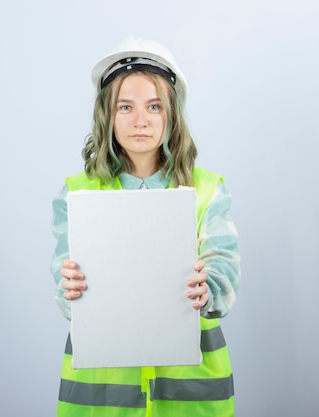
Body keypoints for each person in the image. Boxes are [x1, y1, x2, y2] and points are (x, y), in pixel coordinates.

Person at [50, 35, 241, 417]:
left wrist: (210, 286)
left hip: (190, 387)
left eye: (154, 106)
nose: (140, 120)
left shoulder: (205, 189)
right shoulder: (78, 191)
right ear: (108, 114)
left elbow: (224, 267)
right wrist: (67, 284)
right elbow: (65, 269)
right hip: (103, 393)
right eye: (126, 107)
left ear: (171, 114)